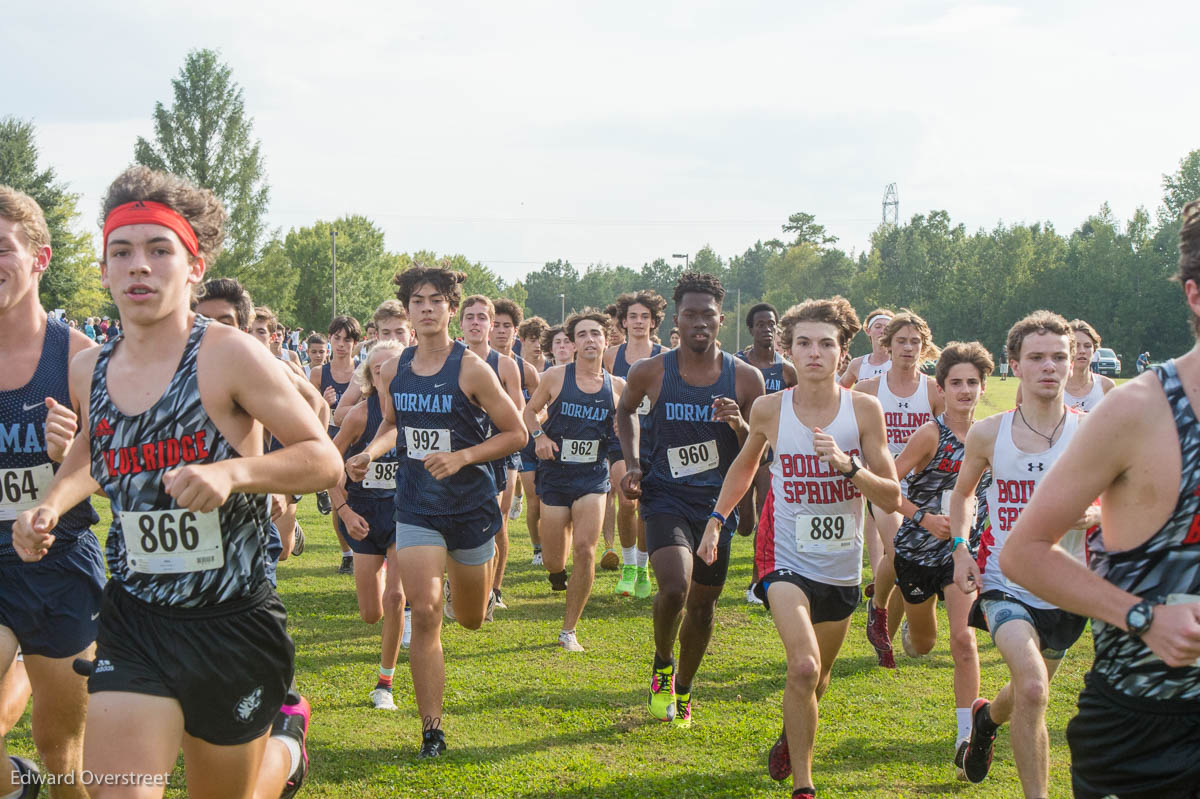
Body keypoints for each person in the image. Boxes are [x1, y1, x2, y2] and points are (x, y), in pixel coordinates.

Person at [13, 166, 343, 799]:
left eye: (160, 250)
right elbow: (94, 444)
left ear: (193, 267)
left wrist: (233, 472)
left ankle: (285, 751)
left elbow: (322, 459)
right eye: (122, 252)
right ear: (104, 269)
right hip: (136, 620)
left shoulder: (228, 355)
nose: (140, 267)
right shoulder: (87, 368)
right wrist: (51, 503)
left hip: (232, 621)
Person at [1002, 202, 1200, 799]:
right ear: (1195, 295)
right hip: (1148, 729)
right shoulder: (1139, 411)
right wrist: (1142, 617)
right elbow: (1024, 552)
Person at [700, 296, 899, 798]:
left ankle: (793, 732)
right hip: (783, 555)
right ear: (789, 349)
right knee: (804, 665)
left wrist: (848, 466)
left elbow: (892, 495)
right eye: (804, 343)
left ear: (842, 351)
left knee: (819, 676)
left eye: (826, 344)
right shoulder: (770, 408)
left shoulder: (864, 410)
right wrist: (716, 520)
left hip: (840, 563)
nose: (815, 353)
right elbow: (747, 465)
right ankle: (805, 787)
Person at [345, 265, 525, 758]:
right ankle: (432, 730)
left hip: (469, 508)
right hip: (416, 506)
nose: (427, 308)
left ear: (450, 308)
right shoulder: (393, 368)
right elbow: (392, 428)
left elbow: (517, 434)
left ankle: (467, 586)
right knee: (423, 612)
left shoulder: (471, 368)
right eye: (418, 301)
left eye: (436, 300)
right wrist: (369, 454)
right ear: (408, 311)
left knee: (468, 619)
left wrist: (463, 457)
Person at [947, 310, 1096, 796]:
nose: (1050, 367)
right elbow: (963, 494)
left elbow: (1126, 497)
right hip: (1003, 579)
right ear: (1014, 364)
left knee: (1026, 692)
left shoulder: (1094, 430)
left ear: (1073, 362)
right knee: (1034, 687)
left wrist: (1093, 517)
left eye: (1059, 357)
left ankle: (986, 720)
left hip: (1068, 586)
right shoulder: (989, 433)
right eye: (1037, 358)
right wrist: (960, 549)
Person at [616, 272, 764, 727]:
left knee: (702, 605)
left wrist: (738, 424)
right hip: (664, 496)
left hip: (716, 506)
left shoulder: (747, 378)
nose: (699, 322)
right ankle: (662, 662)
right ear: (676, 320)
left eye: (708, 315)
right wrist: (633, 463)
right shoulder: (652, 370)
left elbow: (760, 447)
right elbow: (623, 412)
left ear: (721, 319)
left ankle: (685, 686)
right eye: (690, 314)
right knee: (676, 587)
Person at [0, 185, 103, 798]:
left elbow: (109, 467)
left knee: (60, 750)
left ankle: (37, 782)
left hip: (59, 560)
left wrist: (67, 464)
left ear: (39, 258)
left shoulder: (79, 357)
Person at [887, 342, 993, 777]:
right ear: (941, 388)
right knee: (923, 644)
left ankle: (966, 736)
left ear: (984, 388)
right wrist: (923, 517)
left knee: (964, 642)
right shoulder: (930, 434)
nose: (965, 391)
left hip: (960, 557)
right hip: (916, 552)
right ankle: (906, 624)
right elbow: (886, 486)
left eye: (972, 383)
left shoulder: (991, 436)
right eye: (956, 383)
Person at [525, 309, 624, 651]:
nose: (589, 340)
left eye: (595, 333)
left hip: (592, 478)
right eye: (582, 335)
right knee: (555, 558)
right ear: (574, 343)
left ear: (606, 340)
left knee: (585, 549)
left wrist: (621, 437)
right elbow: (528, 411)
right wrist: (539, 436)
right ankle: (556, 573)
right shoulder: (555, 377)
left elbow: (627, 430)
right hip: (555, 476)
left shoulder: (617, 387)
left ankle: (569, 630)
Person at [853, 311, 944, 668]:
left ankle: (885, 635)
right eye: (901, 341)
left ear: (924, 348)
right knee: (899, 553)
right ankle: (878, 609)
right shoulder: (867, 390)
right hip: (884, 485)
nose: (908, 348)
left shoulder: (935, 390)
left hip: (923, 490)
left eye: (915, 342)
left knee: (913, 562)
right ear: (887, 344)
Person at [330, 341, 407, 710]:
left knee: (396, 598)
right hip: (363, 517)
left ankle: (384, 683)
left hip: (405, 515)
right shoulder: (360, 415)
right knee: (371, 613)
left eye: (390, 369)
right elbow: (330, 467)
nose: (384, 376)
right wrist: (344, 511)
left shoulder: (415, 413)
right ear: (369, 377)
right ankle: (384, 569)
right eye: (377, 370)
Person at [458, 296, 526, 616]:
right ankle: (461, 583)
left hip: (499, 450)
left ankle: (493, 589)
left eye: (482, 318)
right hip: (461, 451)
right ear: (460, 324)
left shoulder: (505, 364)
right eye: (469, 317)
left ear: (490, 324)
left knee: (496, 517)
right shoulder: (452, 360)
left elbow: (518, 412)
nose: (475, 323)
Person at [603, 291, 666, 597]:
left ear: (654, 322)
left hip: (654, 441)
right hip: (620, 439)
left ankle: (642, 567)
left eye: (645, 317)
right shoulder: (611, 356)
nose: (639, 322)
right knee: (627, 501)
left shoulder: (666, 355)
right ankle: (628, 566)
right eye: (633, 316)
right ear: (623, 321)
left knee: (646, 506)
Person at [734, 302, 798, 605]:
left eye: (771, 324)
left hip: (772, 452)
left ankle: (757, 582)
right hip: (740, 450)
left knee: (766, 518)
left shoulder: (786, 370)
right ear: (751, 329)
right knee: (744, 524)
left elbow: (802, 406)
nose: (767, 329)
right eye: (760, 324)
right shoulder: (737, 365)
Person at [487, 298, 536, 608]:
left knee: (499, 518)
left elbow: (542, 404)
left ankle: (496, 589)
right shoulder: (467, 361)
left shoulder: (522, 367)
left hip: (509, 449)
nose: (501, 331)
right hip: (475, 445)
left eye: (508, 326)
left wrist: (532, 423)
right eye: (497, 325)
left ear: (515, 332)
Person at [311, 315, 362, 575]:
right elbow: (309, 411)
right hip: (331, 439)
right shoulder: (319, 373)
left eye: (347, 339)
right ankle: (347, 553)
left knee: (360, 498)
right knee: (339, 497)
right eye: (337, 338)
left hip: (359, 440)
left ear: (356, 342)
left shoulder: (363, 371)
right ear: (330, 339)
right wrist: (323, 401)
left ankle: (366, 549)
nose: (341, 344)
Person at [332, 300, 412, 427]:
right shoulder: (367, 367)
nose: (393, 338)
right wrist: (375, 408)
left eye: (399, 332)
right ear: (377, 336)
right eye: (386, 333)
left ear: (411, 334)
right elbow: (339, 416)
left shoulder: (423, 365)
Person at [1015, 319, 1115, 411]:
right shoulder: (1046, 383)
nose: (1082, 351)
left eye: (1087, 346)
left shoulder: (1106, 386)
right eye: (1077, 345)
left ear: (1094, 350)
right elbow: (1024, 419)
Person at [514, 316, 550, 562]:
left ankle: (551, 543)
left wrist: (537, 425)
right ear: (523, 340)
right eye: (533, 340)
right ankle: (537, 548)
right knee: (534, 498)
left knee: (549, 500)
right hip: (524, 443)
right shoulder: (514, 368)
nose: (538, 345)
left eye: (542, 341)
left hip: (548, 439)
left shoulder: (553, 370)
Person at [838, 308, 893, 388]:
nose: (882, 331)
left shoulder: (901, 362)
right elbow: (840, 389)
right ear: (868, 331)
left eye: (887, 328)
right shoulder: (857, 364)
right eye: (878, 327)